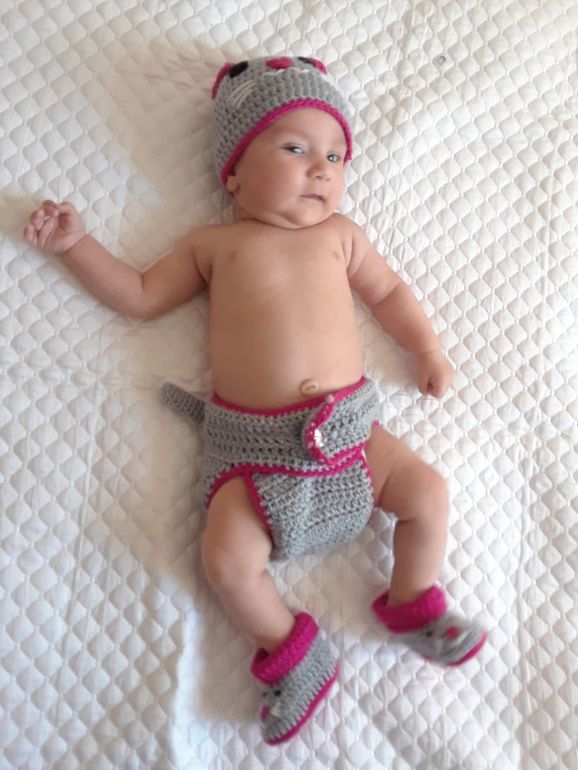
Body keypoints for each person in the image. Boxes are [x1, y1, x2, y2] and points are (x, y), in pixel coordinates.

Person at [24, 54, 487, 745]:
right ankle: (293, 651)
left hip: (352, 433)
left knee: (428, 492)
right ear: (234, 172)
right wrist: (76, 245)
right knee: (226, 561)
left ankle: (414, 600)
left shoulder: (342, 236)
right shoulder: (214, 246)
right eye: (295, 149)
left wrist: (427, 350)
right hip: (254, 453)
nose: (321, 169)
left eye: (335, 155)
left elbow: (389, 293)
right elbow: (141, 297)